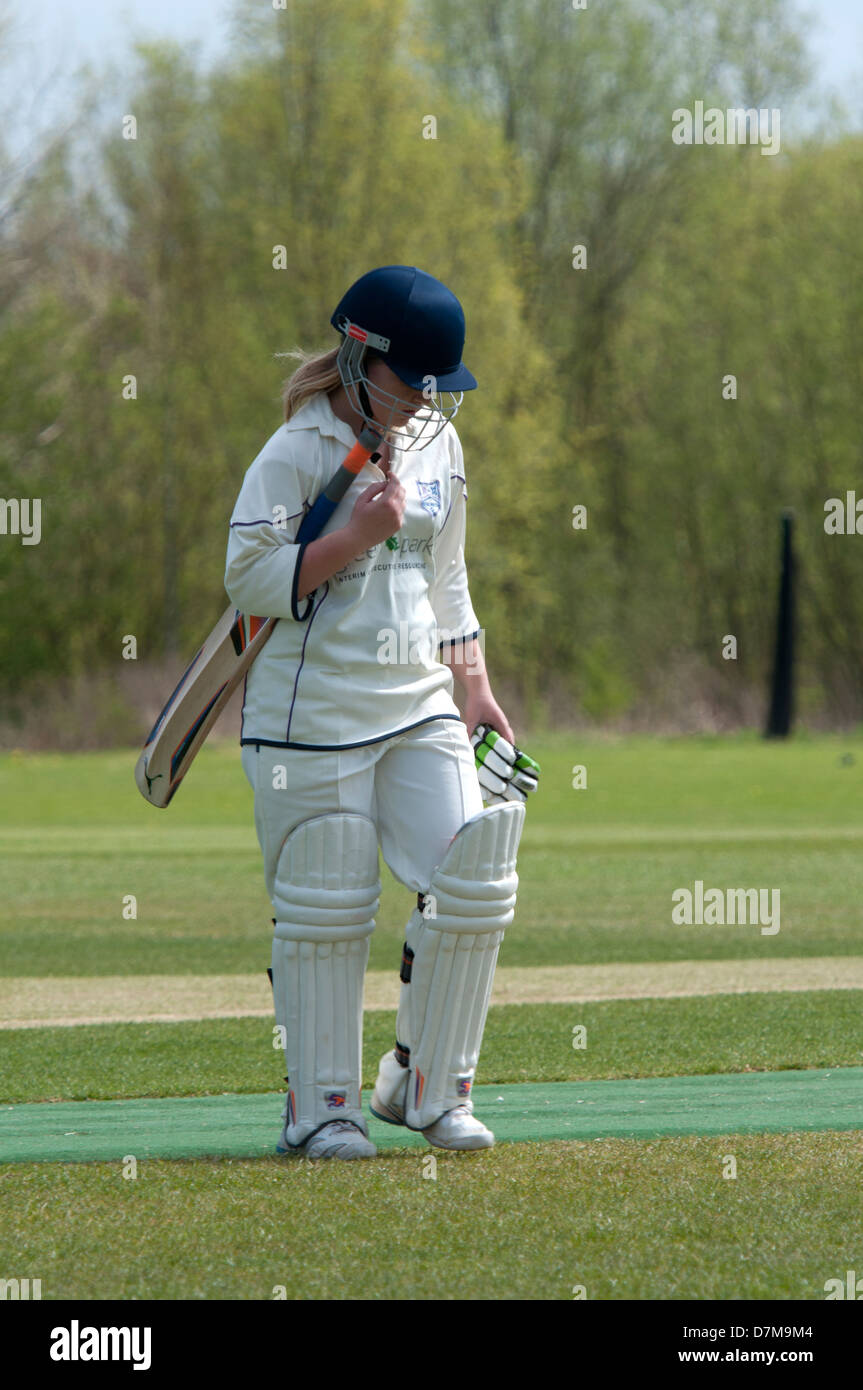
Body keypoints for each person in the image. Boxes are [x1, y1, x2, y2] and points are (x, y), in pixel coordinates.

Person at [225, 265, 525, 1160]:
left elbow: (447, 576)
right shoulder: (297, 452)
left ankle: (424, 1088)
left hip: (418, 703)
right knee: (326, 895)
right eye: (410, 383)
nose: (424, 405)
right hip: (307, 715)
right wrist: (350, 536)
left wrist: (473, 683)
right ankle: (319, 1110)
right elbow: (245, 582)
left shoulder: (436, 444)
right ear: (358, 355)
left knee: (471, 880)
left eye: (439, 387)